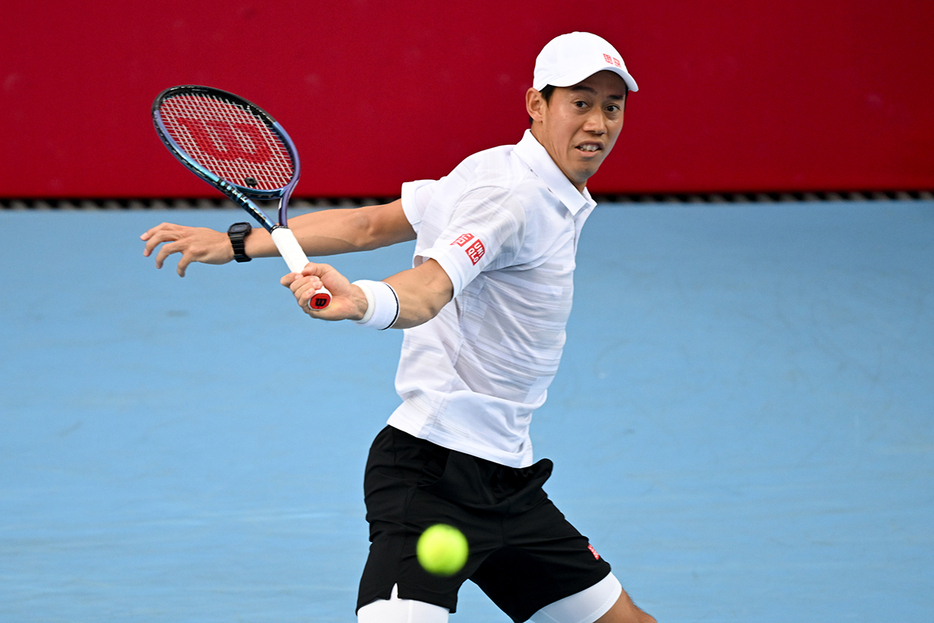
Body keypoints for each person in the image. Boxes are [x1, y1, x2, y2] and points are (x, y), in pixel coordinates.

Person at [142, 31, 655, 623]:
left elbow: (369, 226)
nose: (597, 123)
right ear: (536, 106)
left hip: (507, 479)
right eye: (580, 102)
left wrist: (240, 244)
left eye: (611, 107)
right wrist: (361, 300)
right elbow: (430, 288)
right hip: (430, 477)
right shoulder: (510, 200)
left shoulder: (497, 172)